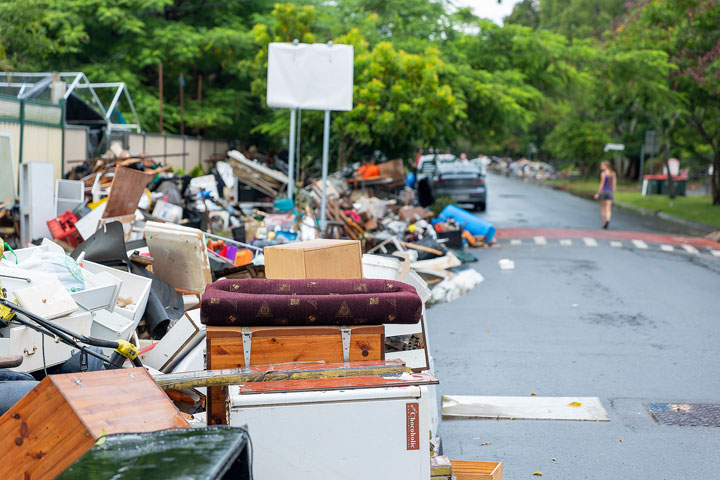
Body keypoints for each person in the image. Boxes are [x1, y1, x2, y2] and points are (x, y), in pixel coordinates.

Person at [593, 161, 617, 229]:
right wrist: (613, 193)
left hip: (604, 191)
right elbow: (614, 185)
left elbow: (602, 184)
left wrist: (598, 193)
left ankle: (604, 222)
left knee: (603, 208)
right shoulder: (613, 173)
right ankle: (608, 220)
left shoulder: (603, 173)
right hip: (610, 191)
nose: (601, 166)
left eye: (602, 165)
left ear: (606, 166)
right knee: (608, 208)